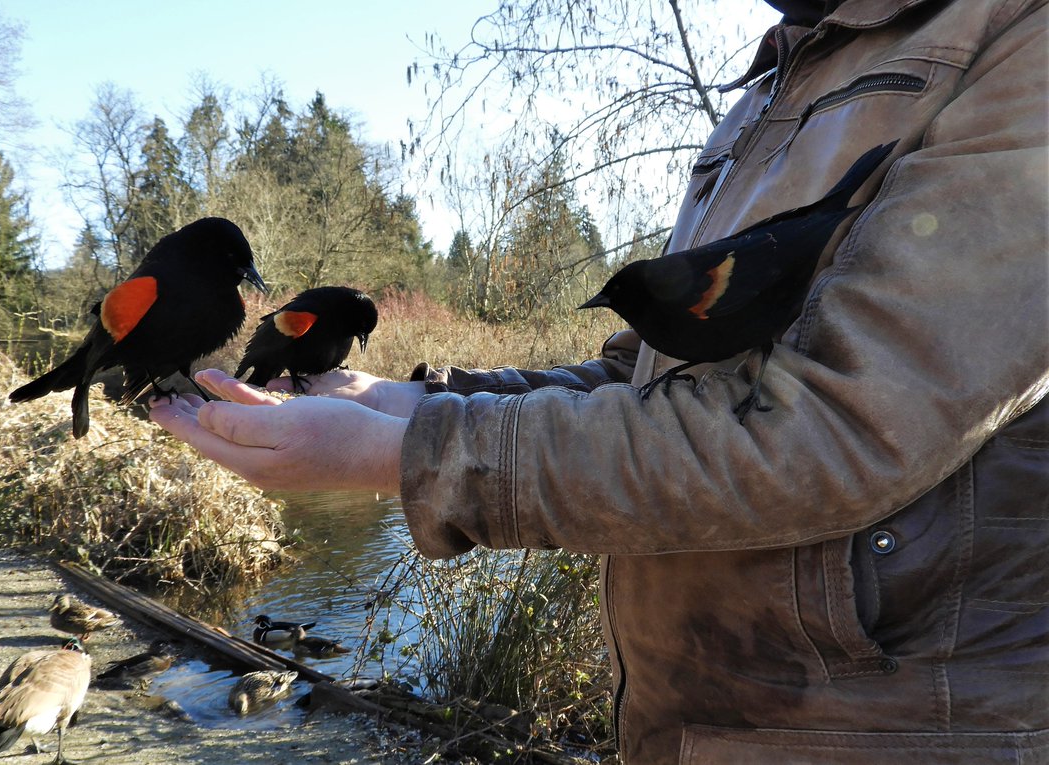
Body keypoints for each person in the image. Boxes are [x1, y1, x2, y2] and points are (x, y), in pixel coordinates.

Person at [150, 0, 1049, 761]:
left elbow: (833, 426)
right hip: (696, 726)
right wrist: (424, 400)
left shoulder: (1016, 39)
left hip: (889, 733)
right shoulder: (780, 78)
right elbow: (656, 376)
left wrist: (409, 452)